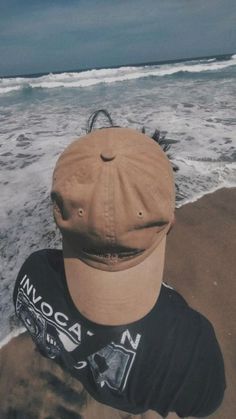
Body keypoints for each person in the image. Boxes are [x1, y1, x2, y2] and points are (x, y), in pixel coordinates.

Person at [13, 110, 226, 418]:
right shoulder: (191, 347)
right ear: (169, 220)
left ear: (62, 215)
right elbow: (204, 404)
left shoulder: (31, 275)